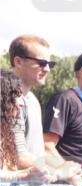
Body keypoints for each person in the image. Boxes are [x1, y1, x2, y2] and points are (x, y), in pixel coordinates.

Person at [8, 34, 52, 162]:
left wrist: (67, 167)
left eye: (50, 64)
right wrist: (57, 169)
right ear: (18, 62)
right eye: (42, 63)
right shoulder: (7, 99)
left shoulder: (33, 100)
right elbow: (17, 156)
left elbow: (37, 152)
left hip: (36, 174)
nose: (47, 69)